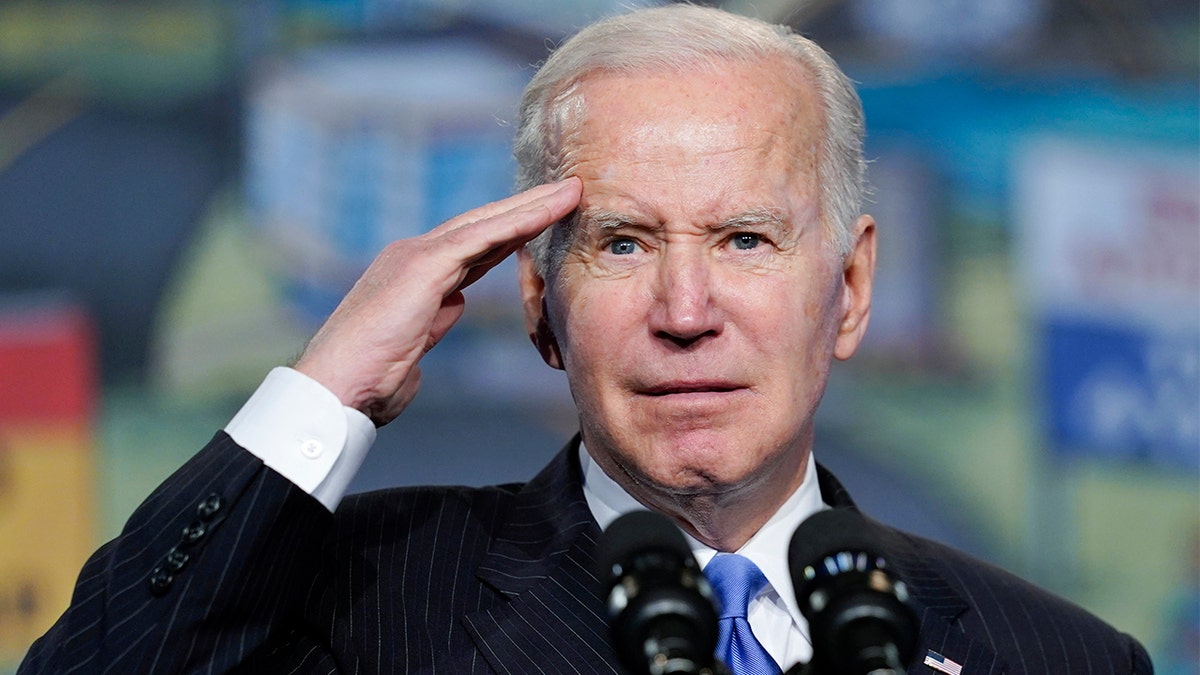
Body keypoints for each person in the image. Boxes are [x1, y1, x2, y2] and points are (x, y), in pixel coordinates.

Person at [21, 5, 1151, 674]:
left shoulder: (1055, 658)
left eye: (747, 238)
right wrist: (323, 392)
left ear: (849, 288)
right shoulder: (354, 602)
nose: (686, 308)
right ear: (536, 299)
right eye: (621, 244)